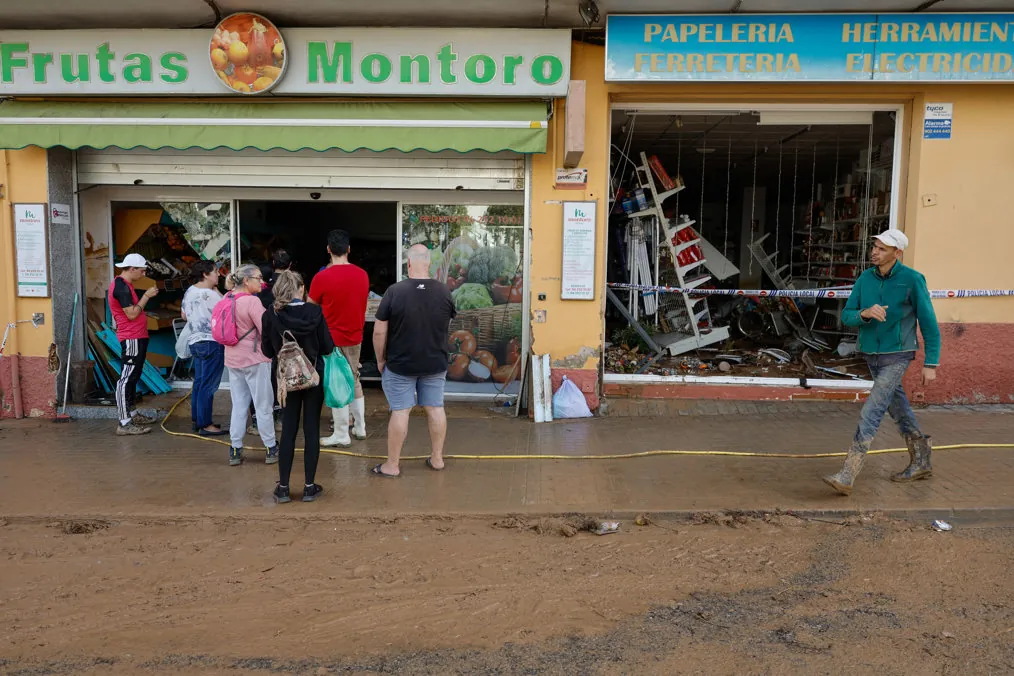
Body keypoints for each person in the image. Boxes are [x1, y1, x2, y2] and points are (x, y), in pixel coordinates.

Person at [823, 229, 941, 495]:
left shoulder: (912, 280)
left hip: (898, 355)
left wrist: (931, 363)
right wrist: (864, 313)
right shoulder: (865, 279)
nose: (875, 251)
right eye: (874, 246)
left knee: (872, 409)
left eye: (882, 248)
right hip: (871, 354)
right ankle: (921, 462)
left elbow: (929, 323)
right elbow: (848, 316)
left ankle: (848, 472)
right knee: (898, 407)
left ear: (897, 253)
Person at [371, 244, 456, 477]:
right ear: (429, 264)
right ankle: (437, 459)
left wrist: (380, 360)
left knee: (400, 411)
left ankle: (392, 465)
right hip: (434, 363)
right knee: (435, 408)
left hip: (400, 365)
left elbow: (379, 332)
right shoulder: (444, 292)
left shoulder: (394, 291)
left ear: (408, 264)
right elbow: (445, 326)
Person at [261, 270, 335, 503]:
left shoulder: (270, 315)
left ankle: (283, 487)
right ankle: (309, 486)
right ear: (301, 288)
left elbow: (265, 351)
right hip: (312, 376)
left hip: (285, 380)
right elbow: (327, 347)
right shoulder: (315, 312)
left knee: (289, 430)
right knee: (311, 428)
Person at [308, 229, 370, 448]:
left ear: (328, 250)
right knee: (353, 377)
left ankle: (342, 433)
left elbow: (310, 308)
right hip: (355, 336)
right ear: (349, 250)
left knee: (336, 382)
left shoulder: (321, 277)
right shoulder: (362, 275)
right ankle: (360, 428)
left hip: (330, 338)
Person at [223, 264, 279, 467]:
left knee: (239, 405)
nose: (262, 282)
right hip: (255, 359)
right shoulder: (252, 302)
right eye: (258, 278)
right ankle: (271, 447)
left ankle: (235, 449)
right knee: (263, 405)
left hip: (232, 359)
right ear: (246, 280)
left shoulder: (226, 298)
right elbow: (266, 329)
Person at [108, 253, 159, 436]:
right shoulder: (121, 287)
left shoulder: (126, 285)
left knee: (133, 376)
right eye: (142, 270)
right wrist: (146, 296)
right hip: (131, 338)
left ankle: (132, 413)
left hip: (137, 336)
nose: (143, 274)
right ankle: (124, 421)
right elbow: (131, 314)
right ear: (132, 269)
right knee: (126, 378)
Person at [181, 260, 227, 436]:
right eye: (215, 271)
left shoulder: (190, 291)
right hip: (212, 342)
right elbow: (227, 310)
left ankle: (197, 419)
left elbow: (184, 315)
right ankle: (205, 424)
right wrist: (218, 292)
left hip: (195, 342)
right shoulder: (211, 294)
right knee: (209, 384)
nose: (218, 274)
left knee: (200, 382)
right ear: (205, 274)